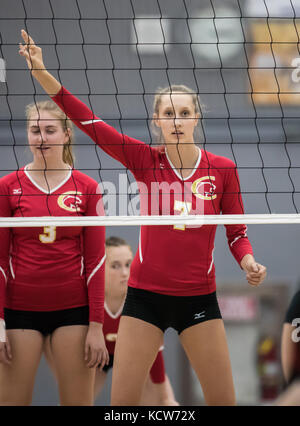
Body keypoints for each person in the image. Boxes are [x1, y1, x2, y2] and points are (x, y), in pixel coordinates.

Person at [19, 30, 267, 406]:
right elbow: (89, 123)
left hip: (198, 298)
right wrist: (41, 73)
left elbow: (236, 233)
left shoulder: (222, 170)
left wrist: (248, 260)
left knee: (223, 401)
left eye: (185, 113)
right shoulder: (145, 161)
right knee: (124, 407)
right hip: (145, 298)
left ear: (196, 118)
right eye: (169, 114)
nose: (177, 121)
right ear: (157, 122)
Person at [0, 97, 109, 406]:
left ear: (66, 134)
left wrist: (97, 326)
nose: (42, 138)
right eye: (35, 131)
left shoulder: (88, 187)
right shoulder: (8, 186)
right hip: (20, 310)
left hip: (73, 312)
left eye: (49, 130)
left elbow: (96, 261)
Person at [44, 235, 179, 405]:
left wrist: (166, 399)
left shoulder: (143, 302)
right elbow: (50, 342)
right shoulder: (84, 300)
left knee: (166, 404)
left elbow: (156, 356)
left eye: (128, 264)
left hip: (133, 361)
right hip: (96, 360)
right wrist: (68, 382)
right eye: (115, 266)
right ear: (100, 268)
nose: (124, 272)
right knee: (73, 401)